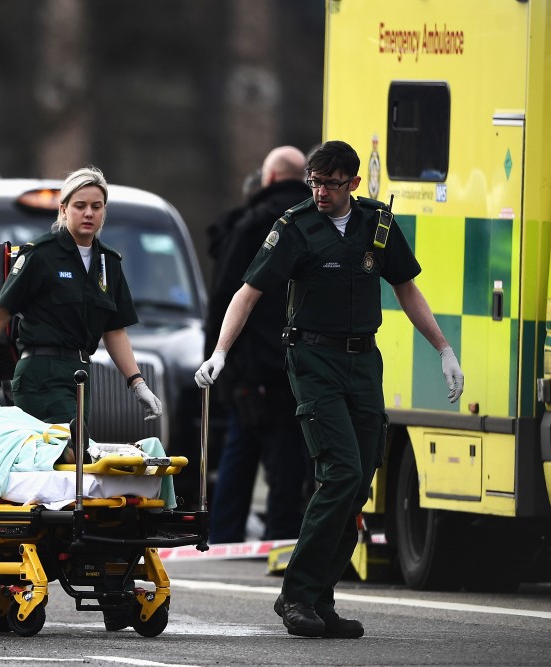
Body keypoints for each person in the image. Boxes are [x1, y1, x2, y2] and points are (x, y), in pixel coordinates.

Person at [195, 140, 465, 639]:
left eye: (331, 184)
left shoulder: (376, 225)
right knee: (339, 472)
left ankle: (321, 598)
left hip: (363, 360)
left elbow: (407, 289)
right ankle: (296, 594)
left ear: (353, 184)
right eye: (314, 182)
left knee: (359, 482)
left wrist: (444, 350)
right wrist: (220, 353)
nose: (320, 191)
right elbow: (247, 292)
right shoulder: (294, 227)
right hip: (312, 359)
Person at [0, 166, 163, 426]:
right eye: (80, 205)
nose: (88, 213)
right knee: (69, 453)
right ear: (64, 210)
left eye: (96, 206)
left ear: (104, 211)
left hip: (80, 375)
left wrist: (137, 383)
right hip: (40, 373)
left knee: (70, 457)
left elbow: (115, 330)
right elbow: (1, 312)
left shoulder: (108, 262)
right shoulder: (41, 254)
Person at [204, 146, 314, 544]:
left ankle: (225, 536)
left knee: (241, 448)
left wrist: (220, 360)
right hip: (301, 360)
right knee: (286, 453)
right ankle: (282, 534)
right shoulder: (315, 220)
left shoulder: (252, 223)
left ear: (268, 178)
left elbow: (224, 297)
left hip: (252, 362)